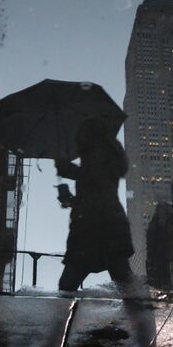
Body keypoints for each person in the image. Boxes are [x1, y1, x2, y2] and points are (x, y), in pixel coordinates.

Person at [54, 117, 134, 291]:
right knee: (124, 282)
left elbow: (97, 179)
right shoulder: (98, 153)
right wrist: (69, 200)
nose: (76, 138)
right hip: (104, 225)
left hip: (97, 227)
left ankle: (140, 315)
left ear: (90, 133)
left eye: (80, 133)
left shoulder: (100, 151)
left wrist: (68, 169)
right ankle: (141, 316)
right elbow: (93, 194)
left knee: (68, 284)